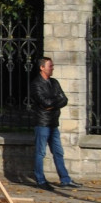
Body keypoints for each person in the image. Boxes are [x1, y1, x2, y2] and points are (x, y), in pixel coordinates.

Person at [32, 57, 81, 190]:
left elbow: (64, 100)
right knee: (40, 152)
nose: (52, 68)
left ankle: (65, 179)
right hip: (42, 123)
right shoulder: (36, 84)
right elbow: (44, 103)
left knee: (58, 152)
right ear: (42, 67)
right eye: (50, 66)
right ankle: (40, 180)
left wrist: (51, 103)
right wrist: (55, 101)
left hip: (53, 123)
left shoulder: (54, 82)